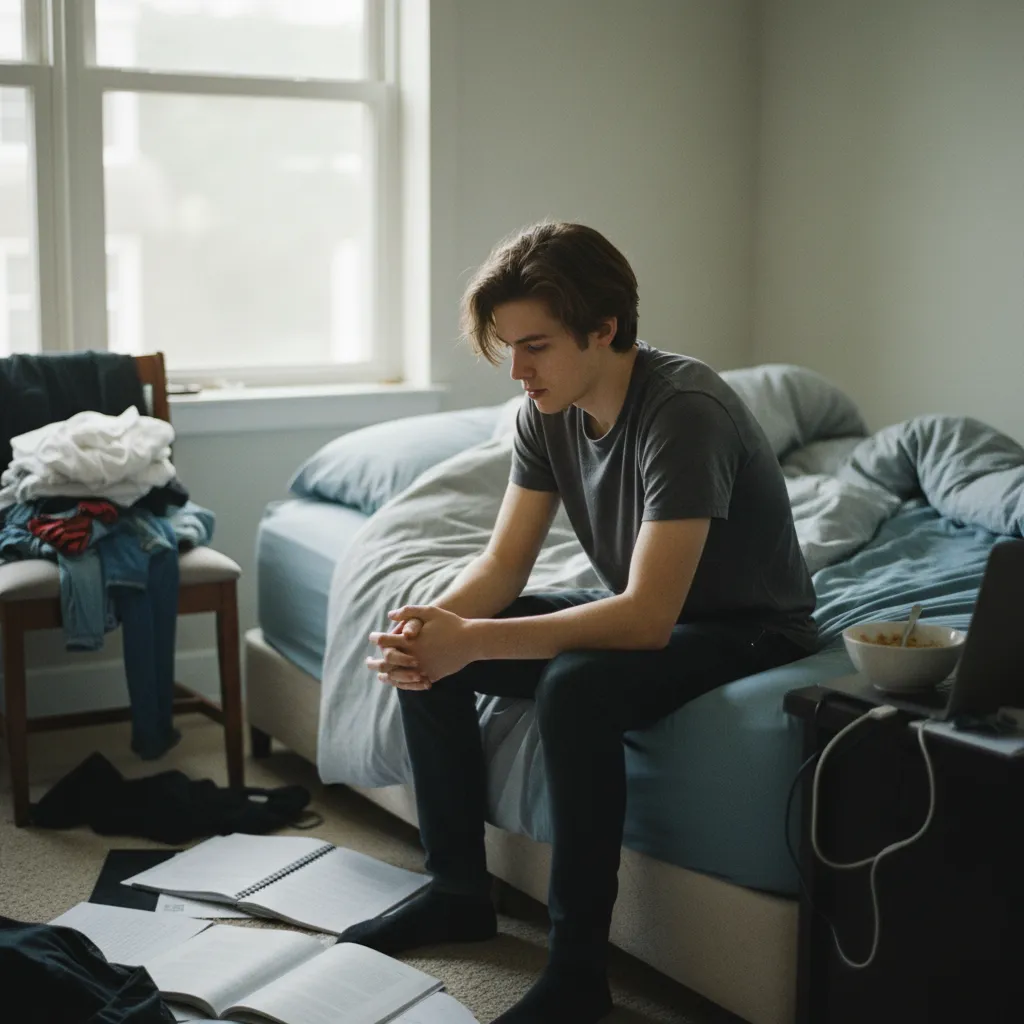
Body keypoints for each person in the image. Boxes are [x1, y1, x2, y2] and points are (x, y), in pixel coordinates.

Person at [340, 222, 818, 1023]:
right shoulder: (545, 410)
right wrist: (430, 630)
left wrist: (471, 640)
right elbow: (503, 566)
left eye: (535, 346)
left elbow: (647, 619)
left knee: (575, 686)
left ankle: (577, 972)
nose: (517, 371)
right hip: (647, 608)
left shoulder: (685, 411)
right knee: (434, 648)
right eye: (508, 348)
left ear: (604, 328)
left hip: (746, 626)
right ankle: (458, 890)